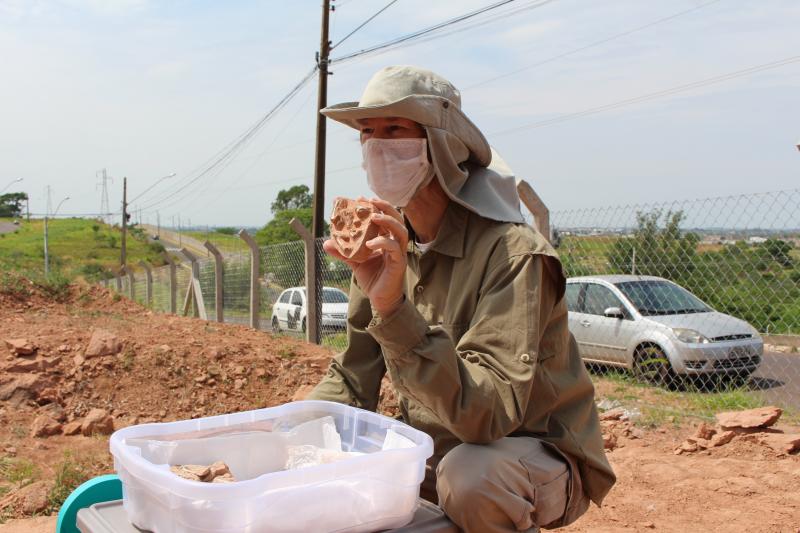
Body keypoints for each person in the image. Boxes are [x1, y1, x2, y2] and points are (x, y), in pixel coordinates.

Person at [307, 65, 615, 532]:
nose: (376, 147)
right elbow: (354, 375)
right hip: (435, 455)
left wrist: (393, 308)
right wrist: (292, 429)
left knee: (472, 477)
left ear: (443, 146)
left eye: (394, 130)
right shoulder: (384, 247)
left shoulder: (514, 254)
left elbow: (487, 416)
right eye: (367, 134)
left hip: (529, 457)